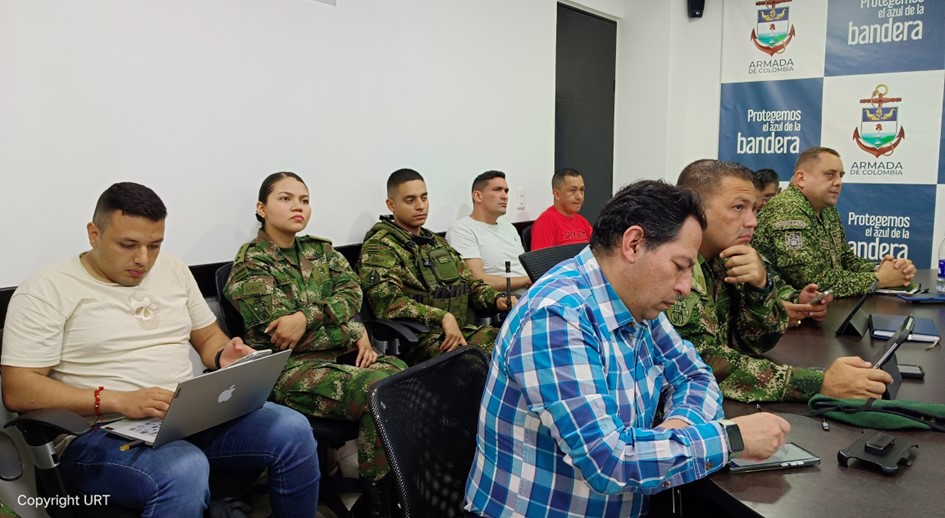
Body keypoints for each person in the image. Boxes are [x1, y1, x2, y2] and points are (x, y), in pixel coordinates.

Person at [465, 179, 790, 518]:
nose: (684, 287)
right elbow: (610, 462)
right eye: (679, 266)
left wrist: (677, 428)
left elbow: (694, 375)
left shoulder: (637, 299)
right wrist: (730, 439)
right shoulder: (556, 317)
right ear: (633, 244)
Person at [1, 182, 318, 517]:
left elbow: (208, 337)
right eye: (128, 245)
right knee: (183, 468)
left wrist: (223, 354)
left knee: (292, 430)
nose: (143, 259)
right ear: (94, 234)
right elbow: (19, 390)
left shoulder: (172, 269)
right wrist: (120, 400)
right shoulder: (46, 290)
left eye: (154, 245)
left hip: (183, 418)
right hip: (96, 435)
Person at [224, 172, 407, 518]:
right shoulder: (251, 263)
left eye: (304, 200)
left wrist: (308, 318)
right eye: (286, 198)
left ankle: (396, 488)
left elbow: (353, 294)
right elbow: (282, 337)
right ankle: (378, 505)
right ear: (262, 209)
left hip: (338, 359)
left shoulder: (320, 250)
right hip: (285, 369)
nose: (298, 206)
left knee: (400, 373)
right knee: (376, 389)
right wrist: (350, 331)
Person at [669, 160, 892, 403]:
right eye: (737, 208)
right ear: (693, 209)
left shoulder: (729, 255)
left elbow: (756, 342)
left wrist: (760, 287)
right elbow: (702, 364)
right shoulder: (675, 268)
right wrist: (819, 383)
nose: (752, 221)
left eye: (754, 209)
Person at [359, 169, 516, 365]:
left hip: (461, 330)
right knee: (473, 362)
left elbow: (469, 283)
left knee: (517, 345)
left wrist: (497, 299)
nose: (420, 206)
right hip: (422, 340)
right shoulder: (380, 247)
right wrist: (441, 317)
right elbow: (387, 303)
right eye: (410, 200)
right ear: (391, 205)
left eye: (424, 198)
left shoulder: (435, 242)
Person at [754, 146, 916, 298]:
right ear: (801, 178)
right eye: (830, 174)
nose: (839, 182)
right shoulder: (788, 209)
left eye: (841, 175)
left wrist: (885, 269)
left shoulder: (826, 207)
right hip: (780, 312)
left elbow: (845, 259)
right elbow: (813, 282)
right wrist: (880, 279)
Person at [446, 170, 531, 297]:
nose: (504, 196)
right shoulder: (462, 230)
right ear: (478, 196)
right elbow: (477, 280)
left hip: (530, 291)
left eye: (506, 191)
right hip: (502, 301)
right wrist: (527, 280)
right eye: (497, 190)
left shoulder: (508, 226)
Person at [529, 168, 593, 250]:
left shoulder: (583, 222)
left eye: (582, 190)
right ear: (557, 194)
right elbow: (541, 261)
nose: (579, 196)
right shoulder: (546, 223)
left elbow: (597, 253)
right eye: (573, 190)